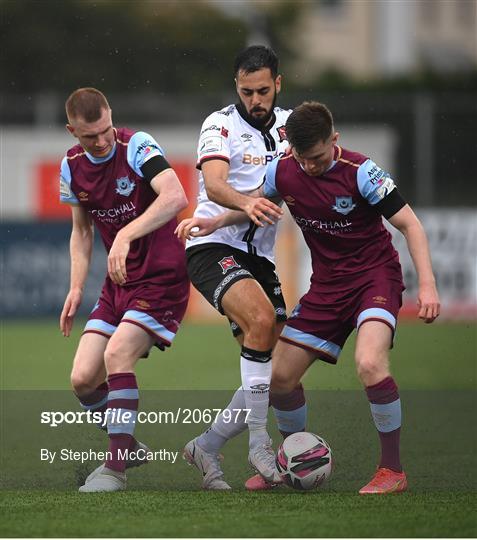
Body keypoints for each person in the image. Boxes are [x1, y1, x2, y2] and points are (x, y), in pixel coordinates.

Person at [180, 101, 441, 494]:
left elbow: (411, 225)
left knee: (370, 363)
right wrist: (214, 221)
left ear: (334, 140)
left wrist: (429, 286)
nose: (310, 167)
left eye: (317, 158)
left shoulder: (363, 173)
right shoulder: (283, 169)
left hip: (374, 280)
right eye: (303, 159)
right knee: (280, 378)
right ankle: (290, 463)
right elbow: (255, 203)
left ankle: (392, 470)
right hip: (326, 288)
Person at [179, 45, 307, 490]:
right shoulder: (219, 124)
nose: (255, 99)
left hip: (260, 259)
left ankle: (206, 446)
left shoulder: (293, 128)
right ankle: (258, 445)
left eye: (263, 90)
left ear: (278, 84)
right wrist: (247, 202)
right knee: (260, 318)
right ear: (237, 85)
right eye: (247, 90)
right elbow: (214, 183)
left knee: (273, 369)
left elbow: (323, 157)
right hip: (213, 246)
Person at [59, 87, 190, 492]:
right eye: (89, 136)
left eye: (105, 130)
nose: (100, 141)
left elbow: (176, 196)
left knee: (117, 354)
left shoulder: (137, 146)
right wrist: (76, 287)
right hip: (118, 284)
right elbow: (81, 232)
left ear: (112, 116)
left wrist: (124, 236)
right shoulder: (71, 166)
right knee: (82, 379)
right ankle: (129, 446)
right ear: (72, 131)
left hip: (162, 275)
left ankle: (114, 469)